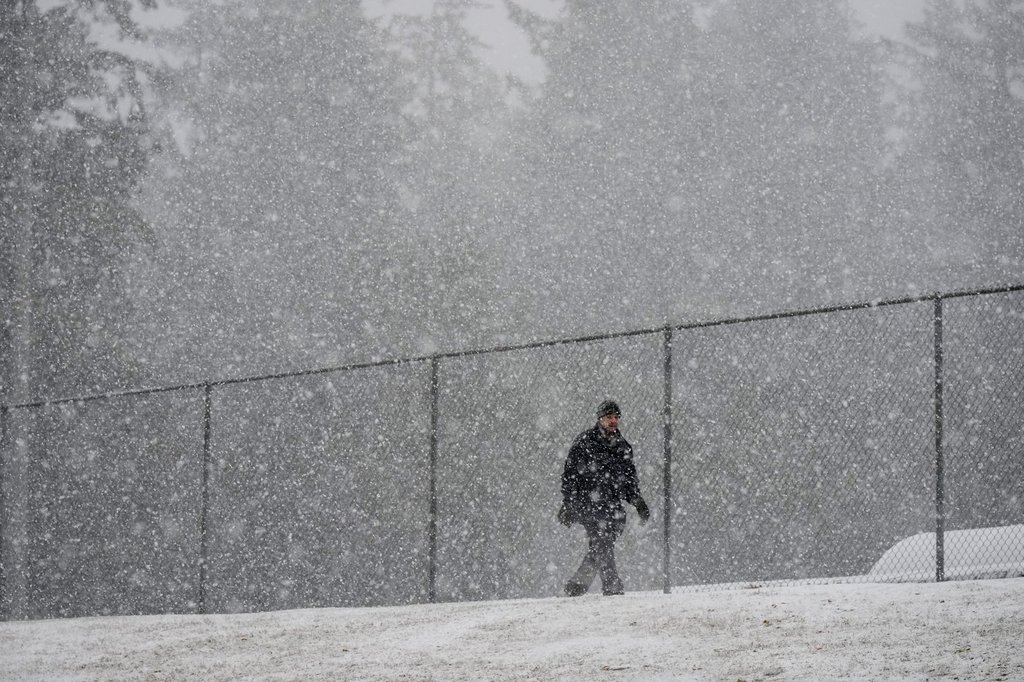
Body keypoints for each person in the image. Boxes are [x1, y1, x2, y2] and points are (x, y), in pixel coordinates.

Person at [558, 399, 650, 596]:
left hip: (613, 506)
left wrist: (638, 502)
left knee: (601, 544)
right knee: (603, 539)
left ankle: (577, 585)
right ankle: (612, 584)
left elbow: (629, 481)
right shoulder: (584, 443)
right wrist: (569, 504)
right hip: (588, 503)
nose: (613, 421)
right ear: (600, 419)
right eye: (609, 417)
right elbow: (570, 476)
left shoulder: (623, 447)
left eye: (616, 417)